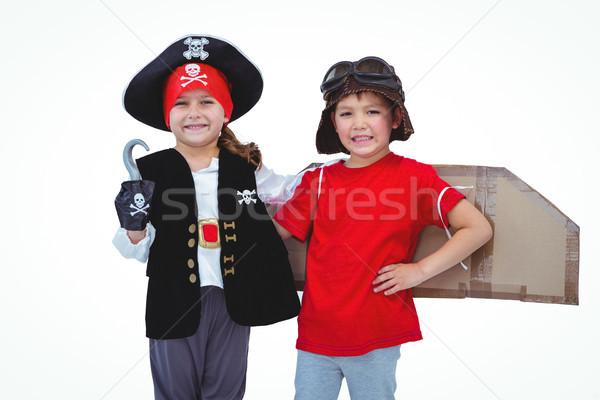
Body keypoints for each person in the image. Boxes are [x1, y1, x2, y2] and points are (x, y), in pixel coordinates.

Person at [272, 56, 493, 399]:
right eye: (346, 113)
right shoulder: (317, 180)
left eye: (372, 111)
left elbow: (477, 228)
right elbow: (273, 235)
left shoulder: (415, 178)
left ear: (395, 117)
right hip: (317, 335)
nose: (359, 123)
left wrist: (419, 271)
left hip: (377, 334)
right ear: (333, 122)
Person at [112, 35, 301, 400]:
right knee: (176, 391)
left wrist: (333, 171)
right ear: (167, 116)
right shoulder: (148, 171)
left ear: (225, 112)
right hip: (173, 300)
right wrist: (133, 224)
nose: (193, 112)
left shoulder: (247, 167)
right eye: (181, 103)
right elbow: (134, 247)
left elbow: (289, 189)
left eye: (206, 101)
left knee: (225, 389)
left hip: (235, 299)